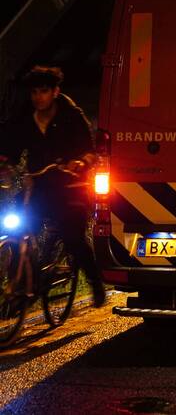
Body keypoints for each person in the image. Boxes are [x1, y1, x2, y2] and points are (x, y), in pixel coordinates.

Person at [0, 66, 105, 307]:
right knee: (18, 228)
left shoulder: (71, 115)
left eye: (44, 91)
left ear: (55, 92)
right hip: (38, 185)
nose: (38, 97)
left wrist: (80, 162)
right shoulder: (25, 117)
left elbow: (90, 151)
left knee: (72, 236)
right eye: (34, 92)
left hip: (70, 185)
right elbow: (11, 145)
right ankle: (23, 284)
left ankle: (95, 283)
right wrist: (7, 162)